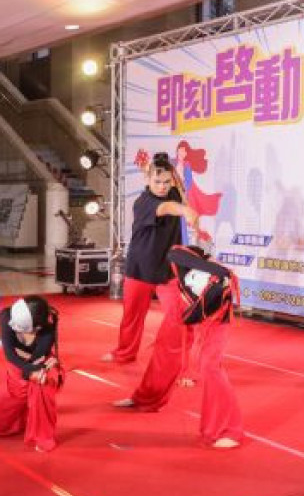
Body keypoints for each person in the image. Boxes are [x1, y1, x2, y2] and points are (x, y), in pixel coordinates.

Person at [114, 246, 243, 450]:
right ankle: (147, 398)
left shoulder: (181, 257)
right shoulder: (163, 277)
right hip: (181, 298)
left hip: (215, 316)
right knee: (165, 346)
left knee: (210, 365)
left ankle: (228, 429)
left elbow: (217, 276)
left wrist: (221, 272)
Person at [103, 152, 199, 364]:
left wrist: (178, 181)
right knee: (132, 317)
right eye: (157, 182)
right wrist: (184, 210)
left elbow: (180, 193)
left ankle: (181, 361)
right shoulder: (143, 202)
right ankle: (125, 353)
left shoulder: (174, 192)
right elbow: (166, 208)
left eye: (166, 182)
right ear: (147, 180)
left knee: (181, 315)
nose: (162, 187)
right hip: (141, 266)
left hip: (168, 268)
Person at [0, 297, 62, 452]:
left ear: (37, 327)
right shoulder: (7, 315)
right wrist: (29, 368)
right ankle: (24, 413)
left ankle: (44, 436)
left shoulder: (47, 332)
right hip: (18, 374)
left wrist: (35, 369)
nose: (14, 329)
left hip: (42, 370)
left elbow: (36, 362)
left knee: (42, 383)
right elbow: (10, 356)